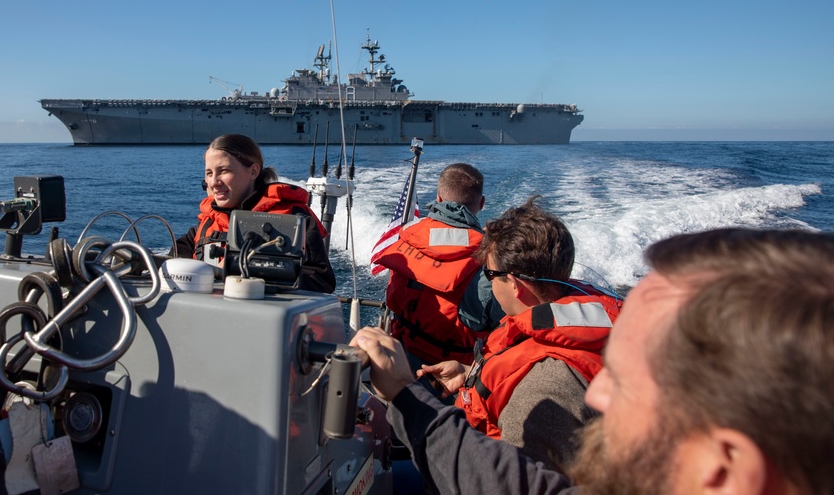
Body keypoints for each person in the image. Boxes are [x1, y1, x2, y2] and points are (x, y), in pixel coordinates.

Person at [351, 227, 834, 495]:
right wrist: (467, 378)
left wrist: (404, 398)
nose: (597, 393)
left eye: (623, 380)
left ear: (726, 469)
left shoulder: (546, 387)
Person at [420, 196, 621, 468]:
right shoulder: (581, 323)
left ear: (514, 284)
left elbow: (511, 482)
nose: (488, 283)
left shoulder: (539, 398)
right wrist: (470, 374)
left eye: (488, 274)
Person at [174, 134, 336, 293]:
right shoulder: (205, 224)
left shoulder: (295, 218)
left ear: (253, 171)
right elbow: (169, 264)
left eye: (223, 171)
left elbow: (321, 281)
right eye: (209, 173)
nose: (213, 182)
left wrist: (248, 270)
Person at [373, 163, 489, 367]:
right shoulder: (489, 254)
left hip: (399, 355)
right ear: (481, 204)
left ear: (438, 198)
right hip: (453, 369)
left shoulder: (409, 233)